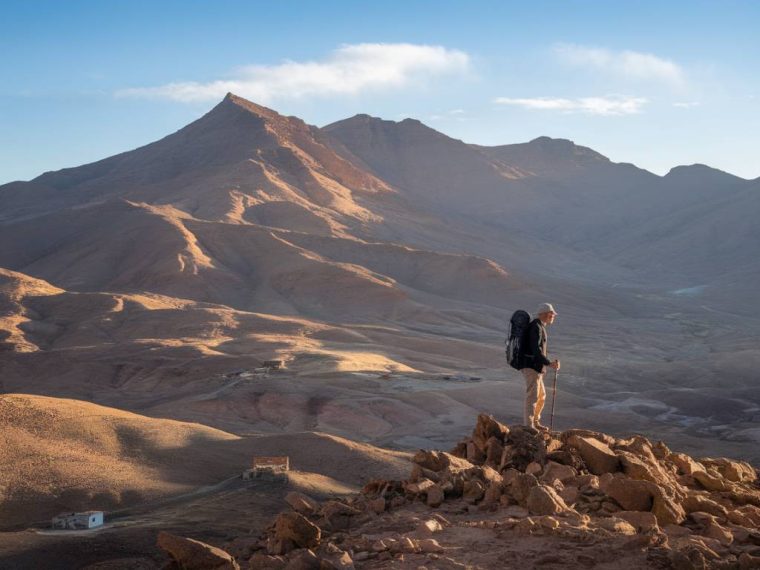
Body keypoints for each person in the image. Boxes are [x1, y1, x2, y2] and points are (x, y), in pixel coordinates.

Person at [521, 303, 560, 431]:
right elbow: (535, 351)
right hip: (531, 367)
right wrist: (549, 363)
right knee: (532, 396)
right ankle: (529, 425)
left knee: (541, 395)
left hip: (536, 367)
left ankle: (535, 422)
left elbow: (538, 351)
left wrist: (545, 364)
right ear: (543, 314)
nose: (553, 316)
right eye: (551, 314)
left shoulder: (539, 326)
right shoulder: (535, 327)